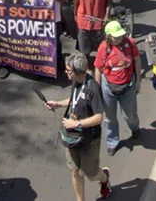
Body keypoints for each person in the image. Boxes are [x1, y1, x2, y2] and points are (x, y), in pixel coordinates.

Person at [43, 52, 111, 201]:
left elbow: (99, 117)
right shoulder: (75, 82)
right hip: (73, 136)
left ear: (78, 72)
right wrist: (58, 103)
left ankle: (104, 178)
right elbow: (74, 99)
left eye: (69, 70)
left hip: (89, 139)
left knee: (91, 174)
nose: (66, 73)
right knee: (74, 171)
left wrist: (77, 123)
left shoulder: (93, 88)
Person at [94, 21, 141, 156]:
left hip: (128, 87)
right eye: (116, 37)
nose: (120, 39)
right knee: (110, 118)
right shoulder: (103, 48)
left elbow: (137, 60)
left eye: (121, 36)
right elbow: (98, 68)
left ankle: (135, 127)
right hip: (109, 88)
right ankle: (112, 142)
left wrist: (138, 81)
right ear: (108, 37)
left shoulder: (130, 43)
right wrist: (98, 90)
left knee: (130, 114)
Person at [73, 0, 113, 67]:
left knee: (100, 47)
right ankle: (86, 68)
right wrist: (75, 13)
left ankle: (100, 66)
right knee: (84, 47)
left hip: (98, 18)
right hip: (83, 17)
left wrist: (107, 15)